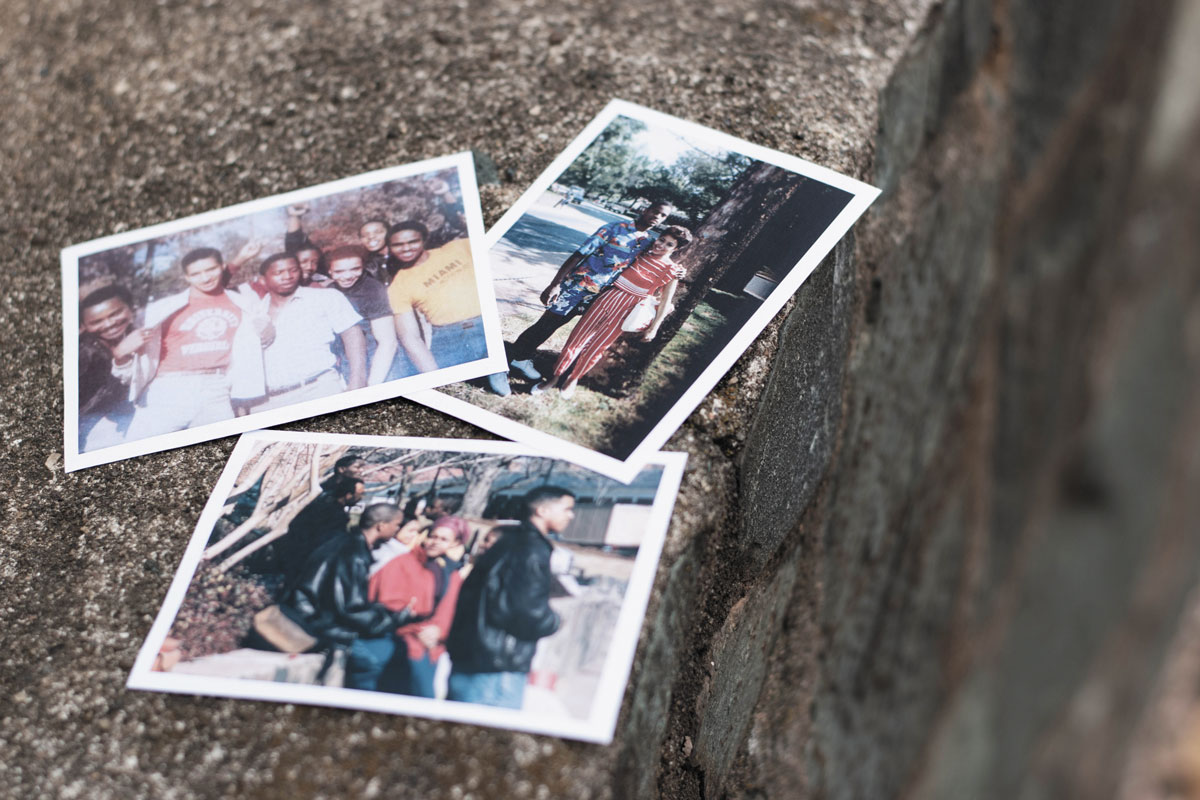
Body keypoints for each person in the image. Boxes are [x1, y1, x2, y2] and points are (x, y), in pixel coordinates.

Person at [487, 201, 673, 396]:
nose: (657, 217)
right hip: (575, 287)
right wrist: (555, 284)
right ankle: (500, 367)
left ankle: (521, 358)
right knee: (546, 324)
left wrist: (676, 270)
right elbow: (579, 254)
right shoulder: (614, 229)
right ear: (646, 210)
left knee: (560, 328)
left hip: (600, 296)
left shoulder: (647, 242)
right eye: (655, 211)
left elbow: (660, 258)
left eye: (662, 216)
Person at [123, 247, 273, 439]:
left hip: (216, 387)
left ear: (222, 267)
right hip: (168, 388)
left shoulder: (243, 303)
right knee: (140, 453)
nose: (205, 278)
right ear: (186, 277)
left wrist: (265, 329)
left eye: (211, 270)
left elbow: (259, 343)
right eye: (196, 274)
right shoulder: (165, 307)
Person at [445, 486, 573, 709]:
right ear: (542, 510)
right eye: (567, 509)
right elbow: (523, 611)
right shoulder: (532, 548)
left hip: (473, 659)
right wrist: (554, 621)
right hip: (497, 668)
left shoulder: (507, 543)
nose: (570, 515)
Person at [532, 226, 691, 399]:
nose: (661, 245)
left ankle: (573, 378)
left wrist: (654, 328)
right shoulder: (641, 252)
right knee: (576, 339)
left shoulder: (672, 270)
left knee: (597, 348)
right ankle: (555, 377)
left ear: (675, 249)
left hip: (629, 309)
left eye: (669, 244)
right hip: (607, 298)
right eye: (661, 239)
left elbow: (665, 302)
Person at [276, 503, 421, 691]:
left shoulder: (346, 542)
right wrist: (398, 617)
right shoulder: (354, 554)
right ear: (381, 526)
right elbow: (350, 609)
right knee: (383, 658)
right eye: (396, 524)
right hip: (314, 624)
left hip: (312, 617)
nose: (397, 530)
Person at [250, 252, 367, 410]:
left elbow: (353, 337)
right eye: (279, 272)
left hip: (320, 389)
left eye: (293, 270)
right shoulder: (253, 312)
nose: (288, 276)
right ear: (263, 279)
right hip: (268, 402)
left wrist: (358, 381)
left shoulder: (326, 298)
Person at [368, 517, 466, 697]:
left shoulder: (451, 573)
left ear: (456, 543)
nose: (435, 542)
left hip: (429, 647)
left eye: (443, 539)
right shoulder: (403, 562)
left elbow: (451, 610)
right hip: (397, 642)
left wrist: (439, 631)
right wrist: (419, 627)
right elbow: (386, 600)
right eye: (433, 536)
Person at [384, 221, 487, 372]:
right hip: (449, 337)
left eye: (413, 241)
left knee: (500, 387)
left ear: (424, 240)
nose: (406, 248)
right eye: (398, 244)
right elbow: (410, 337)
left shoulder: (458, 247)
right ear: (389, 248)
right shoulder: (398, 285)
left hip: (484, 323)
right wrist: (432, 373)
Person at [77, 284, 153, 451]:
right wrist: (120, 356)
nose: (109, 324)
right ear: (84, 326)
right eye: (97, 322)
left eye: (116, 313)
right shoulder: (85, 353)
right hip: (94, 424)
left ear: (131, 309)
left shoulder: (139, 332)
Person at [325, 245, 400, 386]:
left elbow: (388, 343)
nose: (347, 276)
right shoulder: (330, 291)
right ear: (329, 271)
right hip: (350, 363)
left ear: (363, 267)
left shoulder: (373, 289)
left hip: (379, 362)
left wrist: (373, 385)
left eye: (355, 269)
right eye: (339, 271)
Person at [276, 475, 364, 581]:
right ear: (348, 495)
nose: (362, 497)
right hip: (305, 565)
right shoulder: (333, 514)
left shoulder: (322, 505)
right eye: (360, 494)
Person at [281, 204, 333, 287]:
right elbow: (293, 239)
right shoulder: (282, 284)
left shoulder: (319, 283)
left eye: (315, 262)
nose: (309, 267)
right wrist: (295, 216)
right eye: (304, 262)